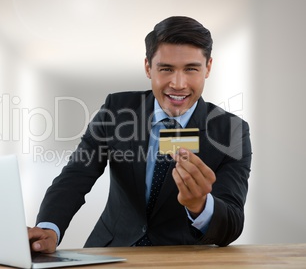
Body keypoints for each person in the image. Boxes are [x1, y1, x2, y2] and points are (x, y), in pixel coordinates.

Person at [28, 16, 252, 253]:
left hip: (183, 258)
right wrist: (49, 227)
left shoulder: (231, 131)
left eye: (191, 69)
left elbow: (232, 222)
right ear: (148, 67)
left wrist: (201, 206)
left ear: (207, 68)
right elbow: (76, 175)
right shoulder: (116, 110)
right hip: (112, 250)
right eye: (166, 69)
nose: (178, 84)